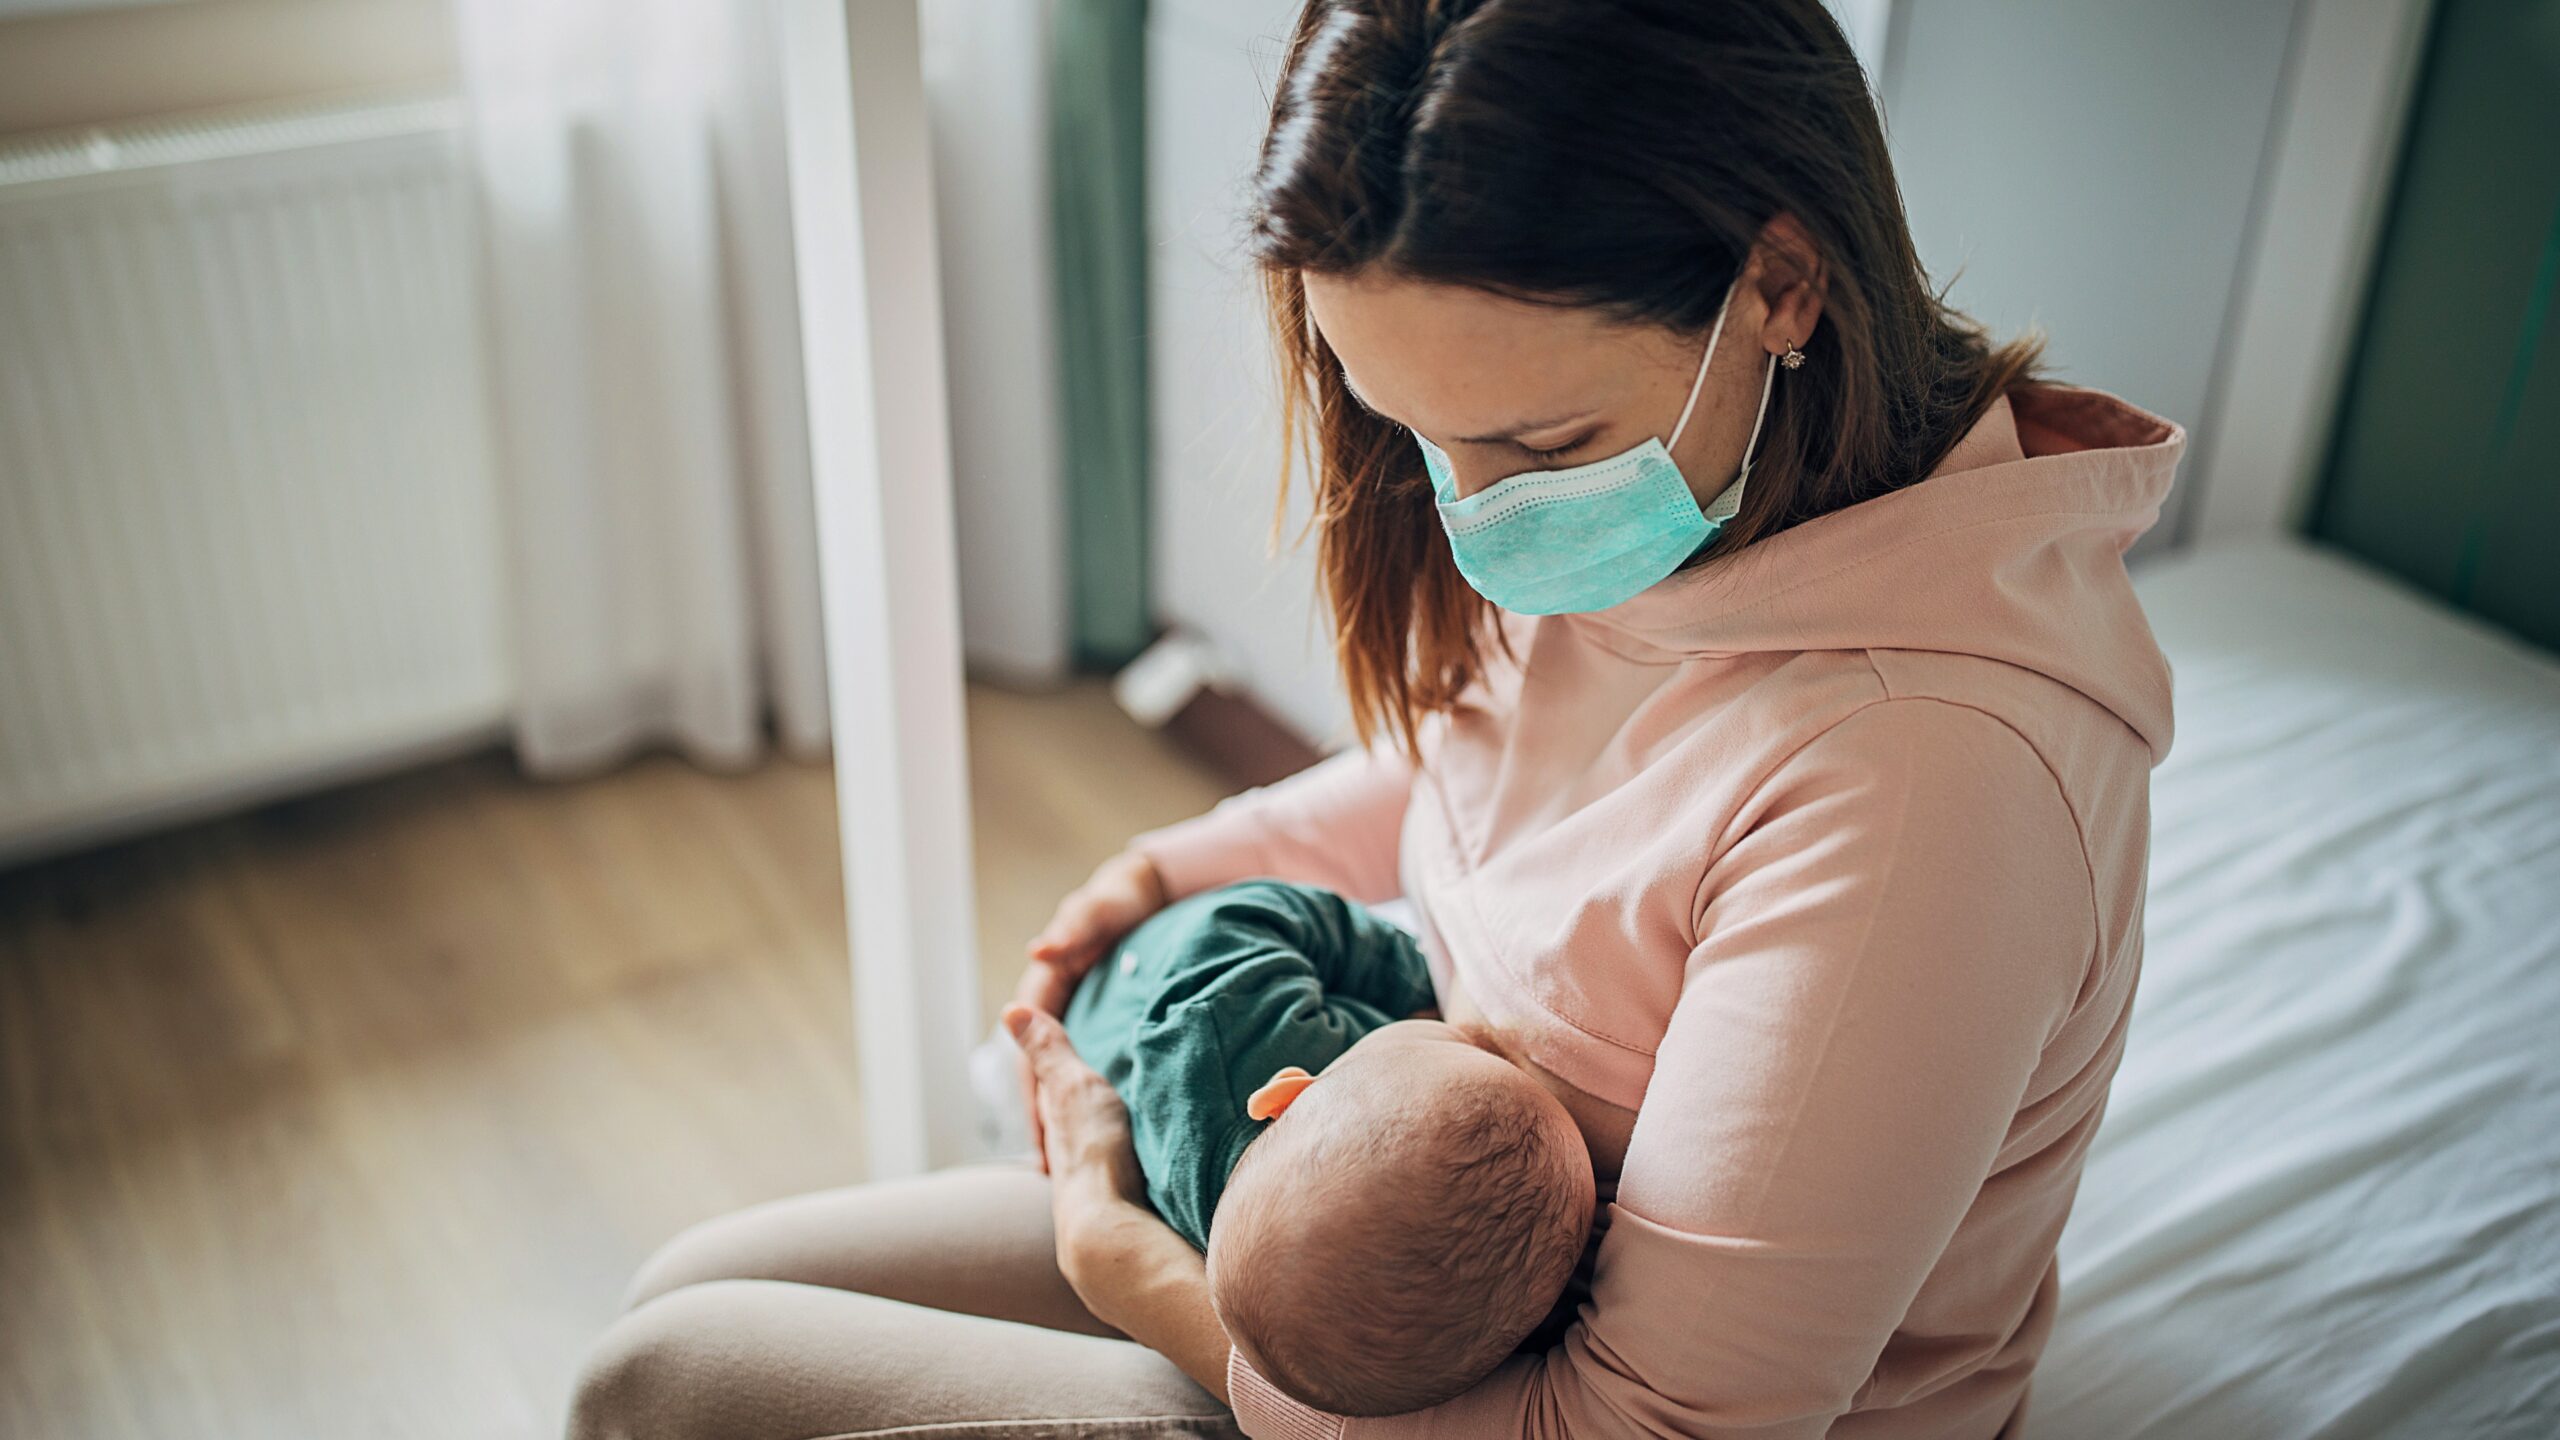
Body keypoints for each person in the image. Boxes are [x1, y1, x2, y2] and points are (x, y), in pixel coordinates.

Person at [565, 2, 2181, 1436]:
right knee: (686, 1287)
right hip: (1375, 1262)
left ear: (1779, 282)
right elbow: (1493, 780)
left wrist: (1137, 1278)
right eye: (1418, 436)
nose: (1479, 520)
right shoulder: (1698, 498)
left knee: (663, 1389)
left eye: (1536, 444)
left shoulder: (1926, 791)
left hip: (1543, 1405)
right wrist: (1175, 867)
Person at [1056, 878, 1595, 1416]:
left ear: (1289, 1094)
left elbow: (1231, 921)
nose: (1471, 1033)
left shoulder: (1235, 1033)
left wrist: (1409, 977)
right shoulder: (1361, 1295)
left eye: (1449, 1040)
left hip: (1115, 998)